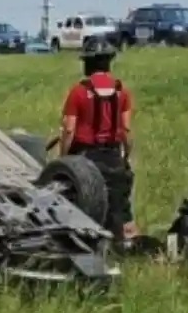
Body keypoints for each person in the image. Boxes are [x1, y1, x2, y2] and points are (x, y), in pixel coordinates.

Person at [57, 38, 134, 240]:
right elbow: (126, 129)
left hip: (85, 156)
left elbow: (68, 130)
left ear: (88, 63)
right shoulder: (122, 91)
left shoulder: (79, 91)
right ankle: (120, 242)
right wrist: (126, 157)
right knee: (118, 205)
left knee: (77, 205)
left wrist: (63, 159)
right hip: (113, 154)